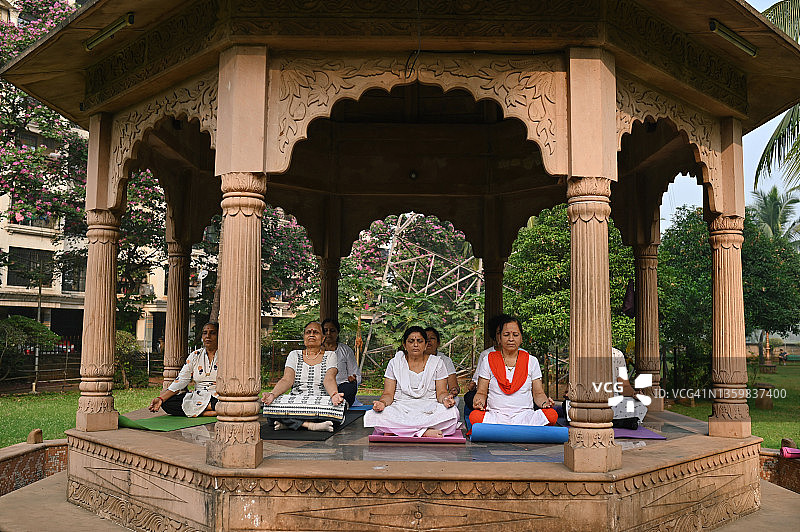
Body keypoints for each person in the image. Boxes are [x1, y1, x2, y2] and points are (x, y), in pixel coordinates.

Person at [364, 326, 460, 438]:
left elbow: (441, 393)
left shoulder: (437, 363)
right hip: (401, 406)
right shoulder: (395, 363)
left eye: (419, 341)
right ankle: (423, 432)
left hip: (429, 407)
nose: (415, 345)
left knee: (452, 413)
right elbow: (388, 394)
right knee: (377, 415)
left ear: (425, 345)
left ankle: (399, 431)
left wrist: (445, 399)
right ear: (404, 345)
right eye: (411, 341)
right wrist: (382, 403)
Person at [470, 315, 557, 427]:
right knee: (475, 416)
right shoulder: (488, 360)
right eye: (506, 335)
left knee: (551, 415)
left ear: (521, 338)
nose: (511, 339)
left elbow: (538, 393)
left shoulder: (532, 361)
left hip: (525, 416)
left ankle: (500, 431)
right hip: (495, 416)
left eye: (515, 335)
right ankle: (522, 431)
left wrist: (545, 403)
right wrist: (479, 403)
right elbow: (481, 392)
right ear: (499, 338)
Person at [261, 321, 346, 432]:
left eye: (315, 332)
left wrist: (334, 395)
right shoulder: (294, 354)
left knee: (338, 408)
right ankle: (312, 425)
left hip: (320, 400)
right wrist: (272, 394)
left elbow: (329, 378)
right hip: (296, 400)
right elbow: (287, 379)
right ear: (304, 337)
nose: (311, 335)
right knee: (271, 406)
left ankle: (289, 424)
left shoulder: (330, 355)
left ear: (323, 338)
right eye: (308, 332)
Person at [148, 322, 219, 417]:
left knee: (227, 403)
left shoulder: (226, 356)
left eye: (212, 333)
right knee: (167, 403)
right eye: (205, 333)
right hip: (198, 397)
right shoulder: (195, 355)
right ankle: (213, 411)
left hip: (217, 397)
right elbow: (181, 380)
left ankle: (202, 410)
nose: (208, 336)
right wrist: (161, 398)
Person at [564, 347, 648, 427]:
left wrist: (634, 394)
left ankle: (601, 421)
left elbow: (624, 386)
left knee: (639, 405)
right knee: (569, 406)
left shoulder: (617, 354)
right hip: (587, 400)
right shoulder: (582, 352)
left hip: (611, 401)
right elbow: (571, 388)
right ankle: (619, 422)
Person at [321, 318, 361, 407]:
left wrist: (354, 379)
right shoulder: (317, 350)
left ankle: (342, 405)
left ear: (337, 332)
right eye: (325, 330)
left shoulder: (345, 350)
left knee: (349, 388)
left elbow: (355, 373)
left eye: (332, 331)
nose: (328, 333)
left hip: (342, 388)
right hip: (321, 388)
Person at [423, 327, 459, 398]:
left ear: (438, 343)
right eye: (426, 338)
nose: (429, 341)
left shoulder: (445, 360)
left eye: (432, 338)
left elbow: (453, 385)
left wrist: (453, 390)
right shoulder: (415, 359)